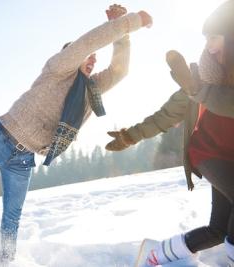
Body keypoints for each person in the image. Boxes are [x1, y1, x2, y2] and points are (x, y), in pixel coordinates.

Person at [0, 4, 153, 263]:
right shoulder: (58, 67)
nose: (92, 59)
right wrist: (129, 22)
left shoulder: (90, 91)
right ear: (72, 56)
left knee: (12, 217)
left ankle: (5, 260)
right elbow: (89, 42)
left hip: (23, 161)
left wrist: (124, 35)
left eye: (94, 59)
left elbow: (120, 71)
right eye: (87, 56)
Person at [105, 1, 234, 265]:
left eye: (215, 37)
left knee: (219, 230)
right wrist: (131, 135)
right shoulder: (197, 77)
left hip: (231, 158)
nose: (209, 45)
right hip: (208, 152)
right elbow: (166, 116)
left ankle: (156, 254)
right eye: (206, 38)